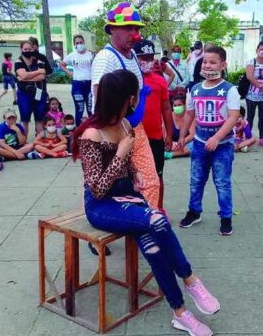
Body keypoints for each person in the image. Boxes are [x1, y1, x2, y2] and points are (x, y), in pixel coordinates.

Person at [73, 69, 219, 336]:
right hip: (102, 206)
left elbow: (126, 168)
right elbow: (97, 188)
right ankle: (190, 279)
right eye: (136, 95)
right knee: (157, 219)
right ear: (128, 98)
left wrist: (135, 172)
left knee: (151, 244)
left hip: (129, 197)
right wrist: (120, 154)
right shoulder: (91, 135)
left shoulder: (126, 125)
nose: (138, 99)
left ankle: (181, 314)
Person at [91, 1, 161, 210]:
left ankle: (147, 226)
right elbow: (100, 101)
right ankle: (124, 229)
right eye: (128, 28)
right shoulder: (106, 59)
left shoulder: (130, 56)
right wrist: (116, 140)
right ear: (112, 29)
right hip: (114, 132)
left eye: (136, 29)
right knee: (114, 187)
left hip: (134, 130)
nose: (135, 34)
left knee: (149, 182)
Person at [178, 46, 239, 236]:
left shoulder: (229, 90)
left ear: (223, 64)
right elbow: (189, 114)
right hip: (198, 144)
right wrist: (181, 135)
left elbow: (233, 117)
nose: (207, 65)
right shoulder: (194, 90)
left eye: (213, 62)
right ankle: (194, 211)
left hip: (222, 146)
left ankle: (226, 217)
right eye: (205, 61)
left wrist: (217, 137)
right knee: (196, 180)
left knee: (222, 182)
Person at [135, 39, 174, 209]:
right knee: (135, 178)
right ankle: (138, 211)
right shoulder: (130, 79)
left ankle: (159, 209)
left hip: (156, 137)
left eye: (151, 58)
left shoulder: (159, 81)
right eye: (143, 58)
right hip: (135, 138)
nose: (147, 62)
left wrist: (169, 135)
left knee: (158, 176)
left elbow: (166, 108)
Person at [14, 41, 49, 137]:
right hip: (24, 94)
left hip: (39, 92)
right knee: (25, 119)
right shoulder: (18, 62)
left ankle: (40, 142)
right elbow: (23, 75)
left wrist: (24, 78)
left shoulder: (39, 60)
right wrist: (38, 71)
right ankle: (23, 142)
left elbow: (42, 76)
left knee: (39, 119)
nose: (27, 51)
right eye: (25, 49)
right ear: (21, 49)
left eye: (29, 49)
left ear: (33, 49)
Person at [245, 40, 263, 147]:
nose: (262, 51)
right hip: (251, 95)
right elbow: (249, 76)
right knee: (250, 117)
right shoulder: (251, 62)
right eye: (261, 49)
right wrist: (260, 85)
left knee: (262, 117)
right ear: (257, 50)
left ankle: (262, 138)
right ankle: (247, 138)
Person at [60, 34, 94, 126]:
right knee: (79, 109)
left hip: (90, 84)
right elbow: (62, 64)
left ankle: (93, 131)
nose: (79, 44)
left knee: (91, 109)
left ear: (84, 42)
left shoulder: (91, 54)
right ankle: (78, 132)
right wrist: (70, 73)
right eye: (77, 43)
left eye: (81, 42)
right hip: (77, 85)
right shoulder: (72, 55)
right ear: (74, 44)